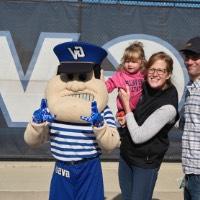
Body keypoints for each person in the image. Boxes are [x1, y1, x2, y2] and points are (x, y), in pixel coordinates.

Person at [24, 41, 120, 200]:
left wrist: (100, 126)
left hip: (89, 169)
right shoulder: (49, 110)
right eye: (68, 76)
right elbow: (33, 142)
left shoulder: (102, 111)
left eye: (83, 77)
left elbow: (112, 144)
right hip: (62, 169)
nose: (75, 86)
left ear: (99, 76)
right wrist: (36, 125)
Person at [118, 51, 179, 200]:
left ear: (168, 75)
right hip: (126, 156)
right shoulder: (142, 87)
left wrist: (126, 107)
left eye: (161, 70)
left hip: (145, 164)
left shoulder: (168, 106)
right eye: (152, 69)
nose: (155, 74)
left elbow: (139, 136)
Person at [179, 36, 200, 200]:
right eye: (187, 57)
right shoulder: (190, 88)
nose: (189, 62)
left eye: (195, 57)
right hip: (190, 170)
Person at [105, 41, 145, 125]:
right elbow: (109, 84)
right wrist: (101, 88)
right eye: (127, 61)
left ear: (141, 62)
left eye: (133, 62)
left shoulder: (143, 74)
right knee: (124, 131)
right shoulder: (120, 74)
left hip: (140, 110)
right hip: (123, 111)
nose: (130, 64)